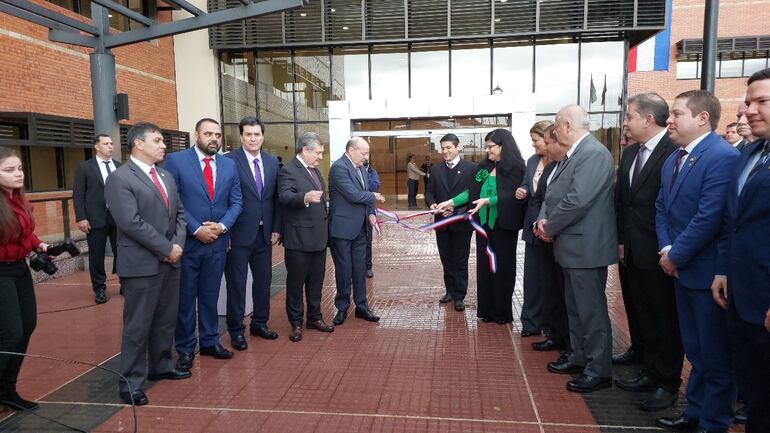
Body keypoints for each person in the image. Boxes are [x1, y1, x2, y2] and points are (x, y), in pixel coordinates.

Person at [654, 90, 738, 433]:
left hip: (706, 273)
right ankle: (695, 414)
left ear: (702, 118)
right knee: (696, 350)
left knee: (714, 356)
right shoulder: (675, 156)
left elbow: (710, 217)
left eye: (676, 114)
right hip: (681, 269)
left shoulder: (721, 157)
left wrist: (675, 254)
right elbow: (662, 207)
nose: (669, 120)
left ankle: (714, 422)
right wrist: (667, 248)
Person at [105, 122, 189, 406]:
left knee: (165, 320)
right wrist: (166, 248)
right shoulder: (120, 178)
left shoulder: (165, 175)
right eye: (157, 140)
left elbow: (179, 213)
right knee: (138, 326)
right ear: (139, 144)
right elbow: (130, 223)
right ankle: (130, 382)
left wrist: (176, 246)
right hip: (141, 264)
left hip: (170, 260)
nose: (163, 145)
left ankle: (161, 365)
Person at [535, 105, 617, 394]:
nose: (554, 133)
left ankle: (598, 370)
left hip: (586, 247)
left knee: (591, 312)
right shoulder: (575, 155)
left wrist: (549, 226)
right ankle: (580, 356)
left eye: (556, 127)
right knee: (576, 309)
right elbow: (557, 194)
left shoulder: (592, 154)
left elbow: (576, 200)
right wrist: (546, 222)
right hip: (572, 246)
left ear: (567, 126)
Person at [614, 93, 683, 412]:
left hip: (659, 251)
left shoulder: (672, 152)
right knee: (640, 311)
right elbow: (622, 202)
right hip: (631, 250)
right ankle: (647, 366)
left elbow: (670, 207)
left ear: (647, 119)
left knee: (664, 317)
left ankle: (666, 381)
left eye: (629, 117)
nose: (625, 123)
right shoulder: (629, 155)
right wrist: (620, 239)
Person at [712, 68, 770, 433]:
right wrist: (723, 270)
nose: (749, 110)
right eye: (748, 102)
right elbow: (732, 221)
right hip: (741, 296)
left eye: (761, 101)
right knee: (756, 393)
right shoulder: (750, 153)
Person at [163, 118, 243, 370]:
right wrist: (197, 228)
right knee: (186, 298)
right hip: (187, 242)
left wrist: (221, 227)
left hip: (218, 242)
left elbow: (237, 202)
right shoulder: (176, 161)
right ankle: (186, 348)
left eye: (218, 135)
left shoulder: (228, 165)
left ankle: (210, 341)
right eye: (208, 133)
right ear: (196, 134)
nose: (214, 139)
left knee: (210, 295)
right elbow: (173, 201)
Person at [437, 128, 526, 325]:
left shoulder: (516, 168)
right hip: (484, 227)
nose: (488, 150)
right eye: (486, 146)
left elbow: (513, 196)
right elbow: (472, 192)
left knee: (502, 268)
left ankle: (502, 312)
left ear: (504, 146)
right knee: (485, 268)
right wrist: (451, 202)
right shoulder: (484, 167)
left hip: (503, 226)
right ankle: (487, 310)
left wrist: (489, 201)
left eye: (491, 146)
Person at [223, 117, 281, 350]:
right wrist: (224, 231)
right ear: (241, 136)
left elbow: (275, 198)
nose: (253, 138)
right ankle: (236, 330)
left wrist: (276, 227)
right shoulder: (228, 161)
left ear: (263, 136)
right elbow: (222, 198)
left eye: (257, 134)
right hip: (237, 234)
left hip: (264, 233)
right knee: (236, 284)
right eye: (248, 134)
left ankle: (260, 323)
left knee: (263, 281)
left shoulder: (271, 162)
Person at [0, 147, 47, 411]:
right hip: (1, 272)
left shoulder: (17, 199)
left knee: (27, 326)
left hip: (19, 270)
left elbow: (23, 233)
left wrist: (38, 244)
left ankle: (7, 390)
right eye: (9, 170)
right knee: (10, 332)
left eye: (19, 168)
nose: (18, 174)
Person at [278, 132, 335, 342]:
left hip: (318, 239)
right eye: (318, 152)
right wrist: (304, 197)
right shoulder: (288, 171)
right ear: (304, 149)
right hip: (299, 239)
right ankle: (295, 323)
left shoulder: (315, 172)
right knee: (295, 284)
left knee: (316, 282)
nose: (320, 156)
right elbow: (284, 196)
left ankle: (314, 317)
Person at [329, 137, 385, 326]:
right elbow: (352, 194)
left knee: (360, 269)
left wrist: (371, 213)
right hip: (343, 229)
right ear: (351, 150)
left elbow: (366, 195)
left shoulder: (361, 168)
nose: (366, 157)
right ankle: (342, 308)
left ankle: (362, 307)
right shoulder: (338, 168)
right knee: (344, 270)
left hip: (361, 228)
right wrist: (373, 196)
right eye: (364, 153)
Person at [528, 125, 569, 353]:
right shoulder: (550, 166)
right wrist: (540, 223)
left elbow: (571, 202)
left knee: (564, 292)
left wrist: (549, 226)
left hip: (561, 237)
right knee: (550, 287)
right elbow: (545, 200)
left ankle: (569, 343)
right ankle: (554, 334)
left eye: (540, 141)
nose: (536, 146)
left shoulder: (567, 164)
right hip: (543, 233)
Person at [425, 133, 477, 312]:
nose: (445, 151)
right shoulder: (436, 169)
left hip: (461, 223)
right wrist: (432, 203)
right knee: (446, 258)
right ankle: (450, 291)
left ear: (457, 148)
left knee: (460, 259)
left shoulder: (471, 168)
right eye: (443, 148)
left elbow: (473, 195)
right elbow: (429, 192)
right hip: (441, 222)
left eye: (448, 147)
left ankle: (460, 295)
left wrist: (454, 210)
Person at [72, 134, 121, 304]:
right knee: (97, 255)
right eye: (106, 143)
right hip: (95, 218)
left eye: (111, 143)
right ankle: (99, 288)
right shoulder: (85, 167)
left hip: (118, 217)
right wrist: (81, 217)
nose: (110, 146)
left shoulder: (119, 166)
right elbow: (78, 194)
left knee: (122, 251)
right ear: (97, 147)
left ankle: (125, 282)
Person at [515, 121, 554, 337]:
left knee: (550, 279)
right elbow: (525, 184)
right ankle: (530, 323)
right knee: (532, 278)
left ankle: (550, 324)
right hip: (531, 226)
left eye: (536, 141)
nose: (533, 146)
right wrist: (522, 190)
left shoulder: (560, 162)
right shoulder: (532, 161)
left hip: (550, 228)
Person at [363, 158, 380, 278]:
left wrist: (364, 176)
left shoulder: (372, 172)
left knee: (368, 241)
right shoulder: (352, 171)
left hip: (369, 211)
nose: (365, 158)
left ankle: (368, 267)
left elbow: (375, 186)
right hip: (356, 211)